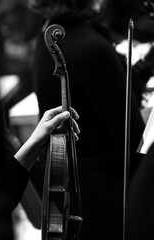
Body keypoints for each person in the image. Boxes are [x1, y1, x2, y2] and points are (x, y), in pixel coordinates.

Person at [25, 1, 149, 239]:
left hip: (78, 197)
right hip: (108, 202)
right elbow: (134, 141)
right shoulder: (91, 46)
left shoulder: (51, 34)